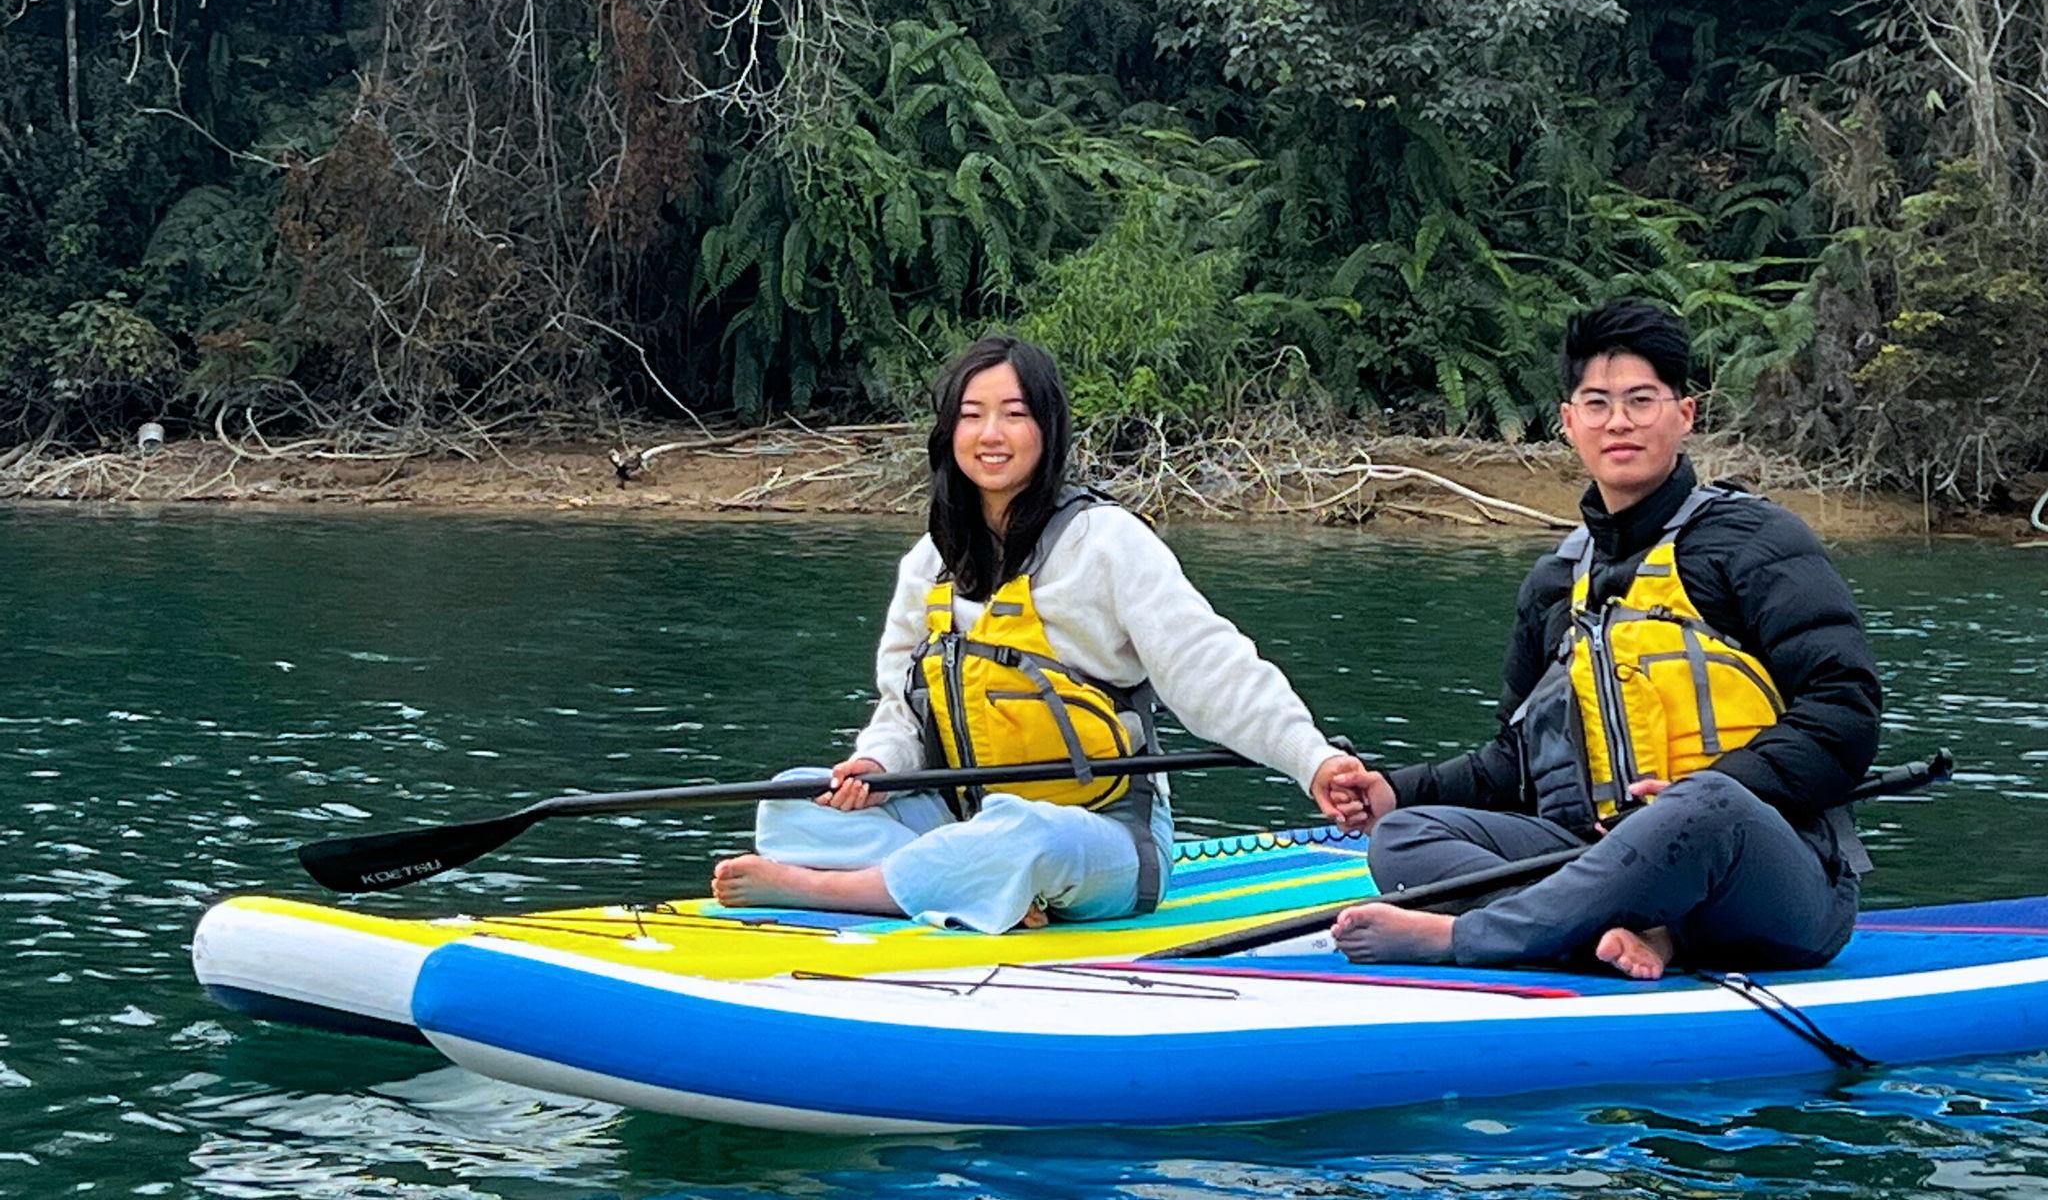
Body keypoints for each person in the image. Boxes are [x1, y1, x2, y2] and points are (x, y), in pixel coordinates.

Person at [712, 334, 1376, 932]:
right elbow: (902, 711)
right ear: (949, 432)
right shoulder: (929, 563)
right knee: (793, 799)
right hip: (964, 820)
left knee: (1023, 832)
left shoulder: (1108, 543)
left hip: (1103, 837)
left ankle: (854, 890)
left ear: (1047, 428)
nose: (990, 433)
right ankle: (982, 885)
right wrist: (875, 767)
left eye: (1014, 413)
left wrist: (1311, 759)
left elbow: (1211, 666)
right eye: (971, 415)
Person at [1331, 297, 1881, 981]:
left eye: (1641, 400)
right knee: (1403, 838)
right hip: (1605, 856)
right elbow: (1516, 762)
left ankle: (1469, 935)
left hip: (1768, 865)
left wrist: (1710, 785)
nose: (1618, 421)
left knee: (1703, 804)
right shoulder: (1554, 583)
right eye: (1596, 403)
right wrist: (1395, 790)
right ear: (1568, 422)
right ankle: (1625, 930)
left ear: (1685, 413)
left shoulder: (1757, 542)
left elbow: (1844, 712)